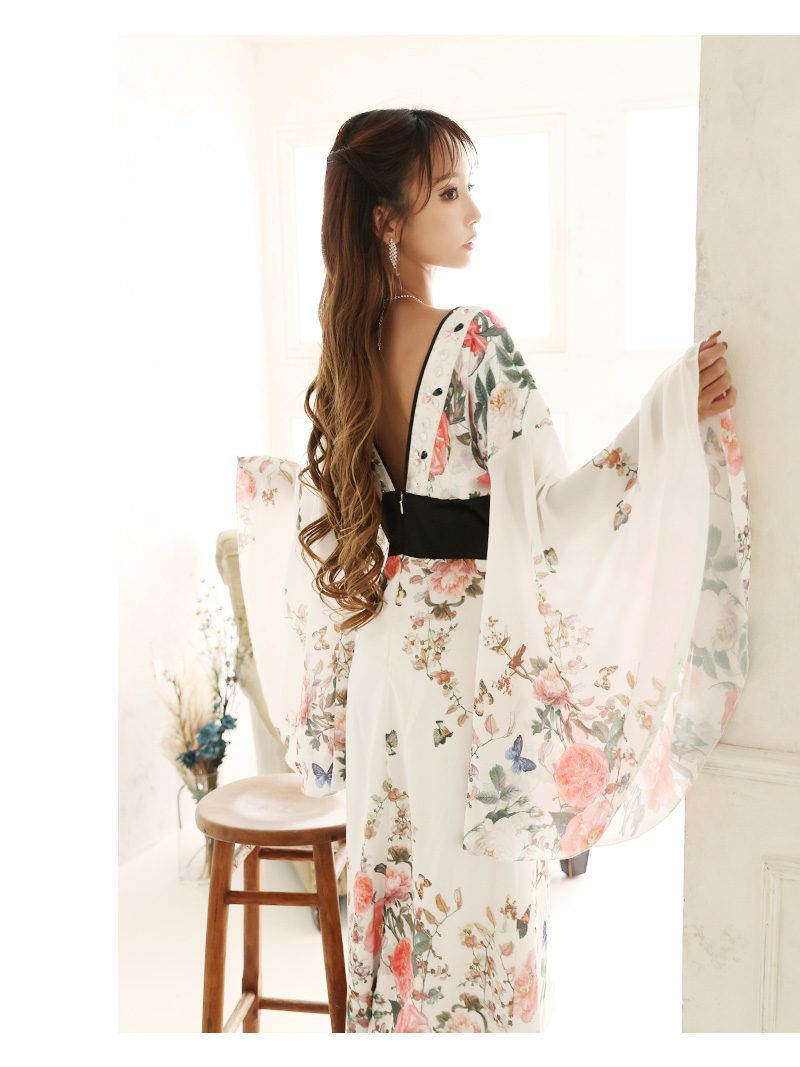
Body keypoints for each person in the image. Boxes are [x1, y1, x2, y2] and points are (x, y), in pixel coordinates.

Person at [238, 107, 749, 1033]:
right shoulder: (473, 341)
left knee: (398, 904)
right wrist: (664, 418)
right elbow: (553, 517)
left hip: (389, 659)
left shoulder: (349, 346)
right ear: (388, 220)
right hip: (470, 673)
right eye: (448, 193)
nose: (474, 212)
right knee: (482, 923)